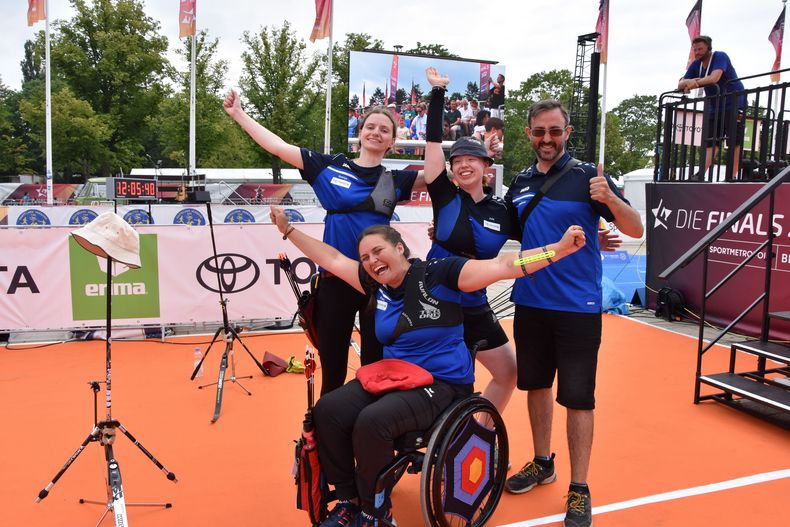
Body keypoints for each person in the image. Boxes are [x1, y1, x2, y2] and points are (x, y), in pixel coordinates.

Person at [269, 205, 586, 527]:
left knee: (372, 421)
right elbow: (333, 260)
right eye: (365, 258)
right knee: (328, 410)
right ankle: (349, 501)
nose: (372, 261)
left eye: (378, 251)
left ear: (400, 248)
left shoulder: (442, 274)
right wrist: (288, 230)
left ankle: (374, 511)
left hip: (442, 384)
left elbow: (505, 264)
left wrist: (557, 251)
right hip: (393, 378)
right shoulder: (375, 284)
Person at [224, 90, 422, 396]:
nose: (376, 133)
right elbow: (277, 146)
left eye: (385, 130)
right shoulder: (330, 167)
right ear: (360, 133)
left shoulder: (397, 180)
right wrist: (239, 114)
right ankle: (328, 438)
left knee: (376, 365)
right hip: (335, 282)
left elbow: (441, 177)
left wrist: (474, 158)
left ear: (392, 142)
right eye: (371, 127)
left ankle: (371, 432)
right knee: (333, 370)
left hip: (379, 283)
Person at [503, 100, 643, 527]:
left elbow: (636, 228)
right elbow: (502, 233)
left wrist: (612, 203)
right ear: (528, 133)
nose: (547, 139)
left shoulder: (589, 178)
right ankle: (543, 462)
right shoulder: (520, 182)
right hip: (529, 302)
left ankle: (579, 488)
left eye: (555, 131)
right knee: (536, 386)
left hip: (578, 307)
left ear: (566, 132)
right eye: (539, 131)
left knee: (580, 398)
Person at [422, 66, 517, 418]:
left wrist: (591, 229)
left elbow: (540, 233)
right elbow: (433, 144)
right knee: (448, 383)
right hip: (437, 303)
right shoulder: (444, 196)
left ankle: (479, 436)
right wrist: (437, 93)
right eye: (457, 161)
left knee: (508, 372)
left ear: (485, 165)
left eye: (471, 160)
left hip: (475, 304)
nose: (463, 166)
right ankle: (445, 449)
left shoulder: (503, 212)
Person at [678, 35, 746, 181]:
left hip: (733, 101)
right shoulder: (696, 65)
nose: (697, 52)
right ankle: (701, 173)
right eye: (695, 50)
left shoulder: (720, 56)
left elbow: (714, 78)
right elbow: (680, 83)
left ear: (709, 48)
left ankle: (732, 175)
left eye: (700, 49)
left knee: (734, 140)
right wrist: (688, 81)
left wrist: (693, 83)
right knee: (711, 140)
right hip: (715, 106)